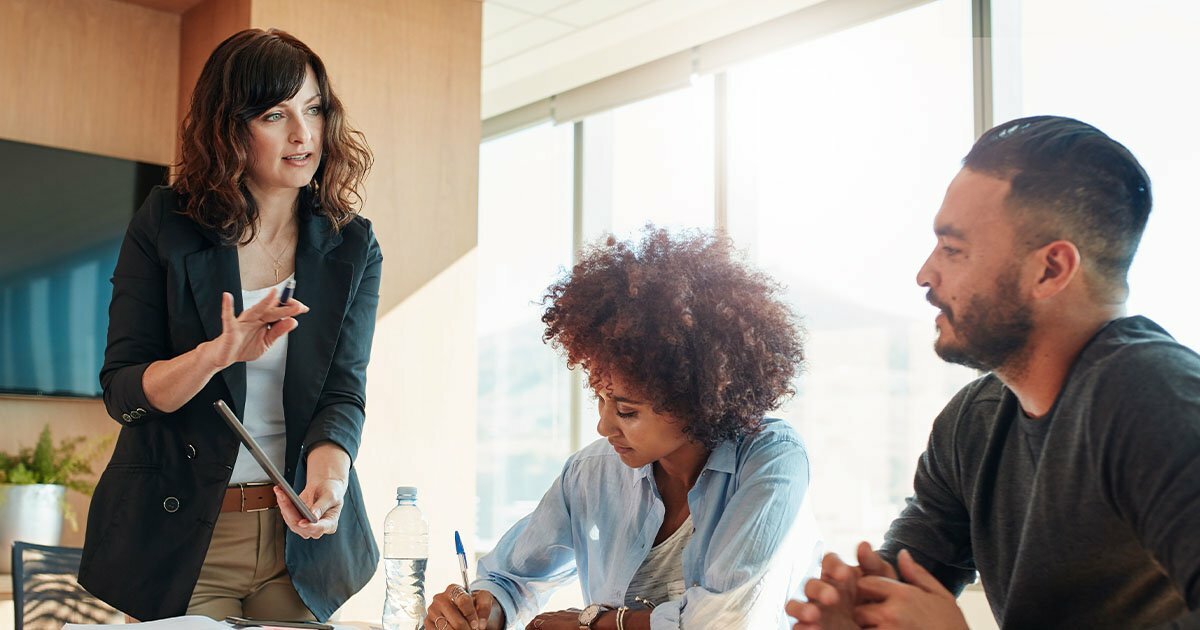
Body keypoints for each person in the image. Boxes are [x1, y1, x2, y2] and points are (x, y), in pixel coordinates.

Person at [787, 116, 1200, 629]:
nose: (924, 274)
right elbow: (898, 587)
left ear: (1050, 270)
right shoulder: (972, 423)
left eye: (953, 250)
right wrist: (857, 613)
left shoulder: (1156, 398)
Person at [79, 28, 381, 622]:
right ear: (230, 128)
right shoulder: (166, 223)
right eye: (275, 114)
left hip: (300, 546)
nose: (303, 134)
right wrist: (216, 355)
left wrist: (331, 472)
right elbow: (123, 392)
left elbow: (343, 390)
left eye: (313, 108)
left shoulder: (352, 246)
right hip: (185, 536)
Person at [425, 228, 814, 630]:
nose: (603, 425)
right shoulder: (591, 473)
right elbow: (511, 577)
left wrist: (597, 623)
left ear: (695, 401)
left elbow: (725, 619)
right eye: (600, 398)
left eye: (627, 411)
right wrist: (484, 608)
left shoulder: (772, 460)